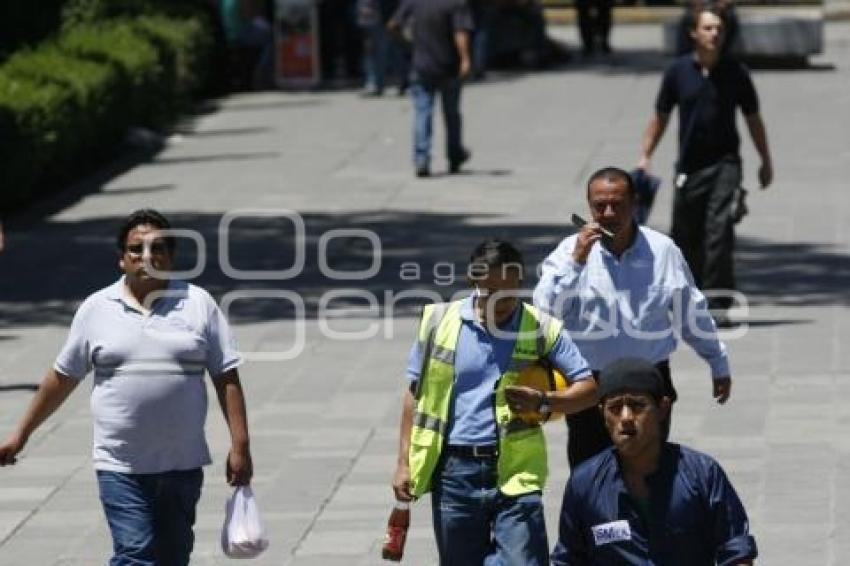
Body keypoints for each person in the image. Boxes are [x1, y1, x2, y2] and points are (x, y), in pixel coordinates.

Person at [0, 209, 253, 565]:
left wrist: (240, 445)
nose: (147, 257)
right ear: (122, 259)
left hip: (181, 463)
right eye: (136, 249)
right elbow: (62, 377)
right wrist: (21, 434)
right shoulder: (97, 309)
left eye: (158, 248)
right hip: (120, 464)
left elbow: (226, 376)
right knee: (135, 554)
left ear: (171, 256)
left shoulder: (198, 304)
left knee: (173, 556)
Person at [392, 239, 597, 565]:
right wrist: (404, 464)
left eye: (508, 290)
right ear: (473, 282)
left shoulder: (541, 327)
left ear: (520, 282)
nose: (499, 301)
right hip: (454, 473)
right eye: (489, 290)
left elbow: (588, 388)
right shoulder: (438, 322)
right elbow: (414, 396)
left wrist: (545, 401)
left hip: (516, 473)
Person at [533, 166, 731, 469]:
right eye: (600, 206)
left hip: (648, 381)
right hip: (590, 386)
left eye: (618, 204)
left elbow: (690, 310)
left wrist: (717, 361)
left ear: (635, 203)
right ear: (589, 207)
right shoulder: (569, 253)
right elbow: (544, 312)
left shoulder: (662, 250)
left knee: (650, 473)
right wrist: (576, 263)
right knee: (591, 474)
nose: (609, 212)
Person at [637, 4, 773, 326]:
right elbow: (660, 116)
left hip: (726, 164)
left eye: (719, 29)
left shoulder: (736, 73)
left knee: (719, 231)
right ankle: (686, 300)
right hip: (689, 167)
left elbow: (753, 119)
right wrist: (645, 156)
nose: (714, 34)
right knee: (685, 236)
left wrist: (766, 161)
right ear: (693, 33)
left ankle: (716, 303)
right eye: (708, 28)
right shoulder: (677, 72)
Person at [551, 357, 757, 565]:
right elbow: (568, 558)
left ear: (662, 408)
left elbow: (736, 551)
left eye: (637, 405)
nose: (626, 417)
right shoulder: (584, 484)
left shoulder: (703, 474)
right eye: (614, 408)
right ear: (603, 415)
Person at [389, 0, 473, 178]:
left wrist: (407, 45)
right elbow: (460, 32)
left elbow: (393, 24)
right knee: (451, 114)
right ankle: (454, 155)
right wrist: (465, 59)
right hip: (449, 66)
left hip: (421, 65)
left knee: (423, 112)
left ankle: (422, 159)